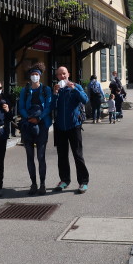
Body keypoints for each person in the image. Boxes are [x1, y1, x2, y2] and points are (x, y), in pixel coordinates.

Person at [51, 66, 90, 194]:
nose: (62, 76)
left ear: (68, 74)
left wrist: (74, 89)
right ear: (57, 76)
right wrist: (55, 94)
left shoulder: (76, 86)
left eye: (64, 74)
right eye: (59, 74)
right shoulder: (57, 89)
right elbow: (52, 107)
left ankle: (83, 182)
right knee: (62, 156)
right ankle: (64, 180)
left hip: (74, 126)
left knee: (78, 155)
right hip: (60, 127)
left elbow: (85, 99)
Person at [18, 64, 52, 196]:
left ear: (40, 76)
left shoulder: (46, 89)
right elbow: (20, 107)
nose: (34, 76)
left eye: (37, 74)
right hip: (28, 125)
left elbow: (49, 107)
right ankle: (33, 183)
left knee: (41, 156)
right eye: (32, 74)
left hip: (42, 125)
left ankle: (42, 184)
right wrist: (28, 118)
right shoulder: (25, 90)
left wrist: (39, 118)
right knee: (29, 156)